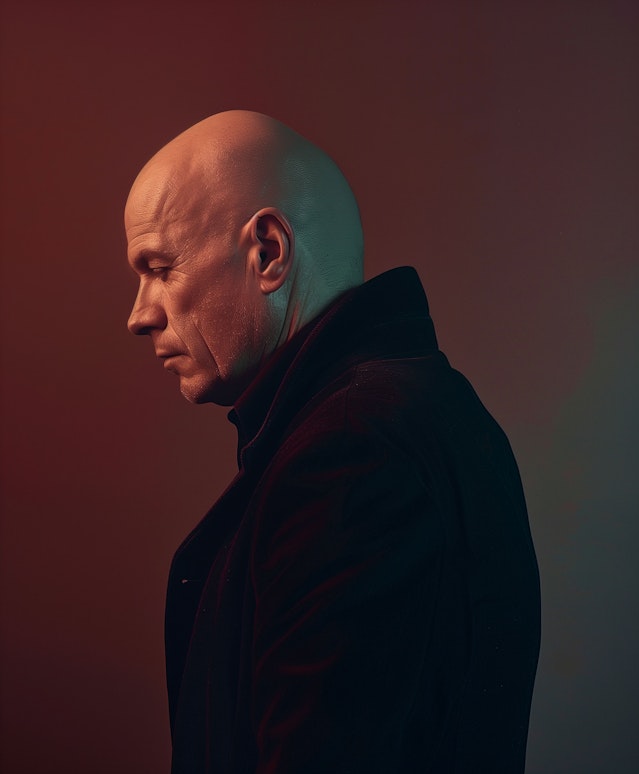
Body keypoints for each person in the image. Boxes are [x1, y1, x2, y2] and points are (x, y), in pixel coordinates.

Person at [125, 110, 540, 774]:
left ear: (267, 252)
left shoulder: (352, 451)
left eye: (160, 267)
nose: (139, 314)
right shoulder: (406, 412)